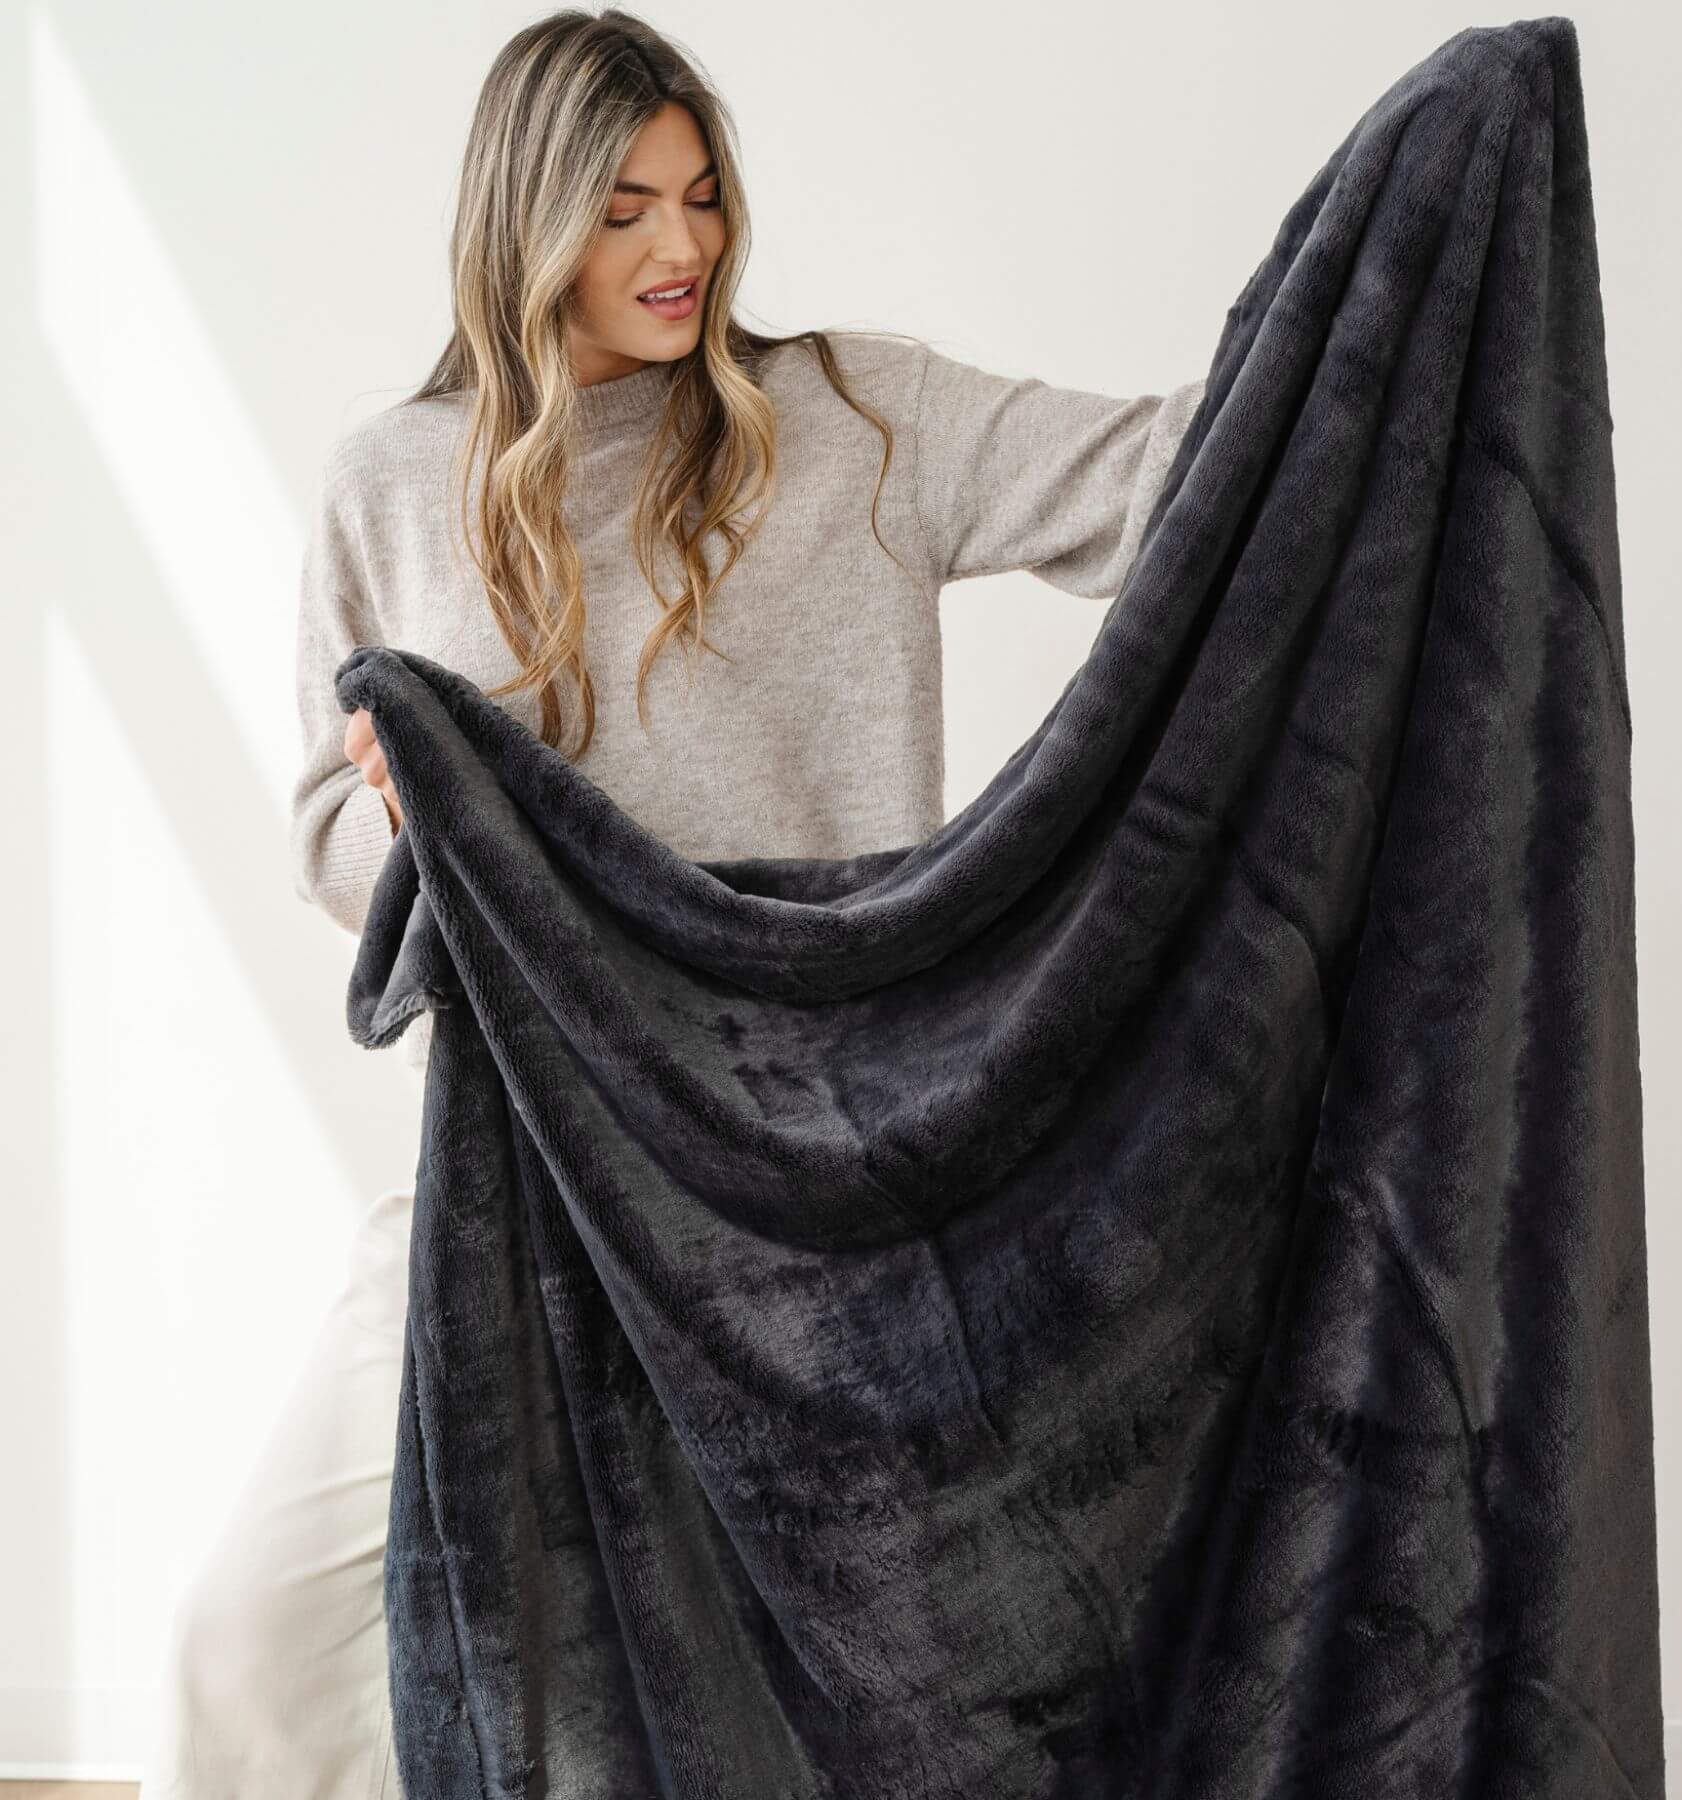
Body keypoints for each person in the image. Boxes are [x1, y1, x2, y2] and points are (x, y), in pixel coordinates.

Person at [136, 7, 1208, 1795]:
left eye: (702, 197)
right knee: (247, 1646)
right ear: (528, 221)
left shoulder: (861, 417)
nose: (685, 248)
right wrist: (419, 822)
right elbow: (330, 835)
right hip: (512, 1172)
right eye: (627, 206)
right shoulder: (394, 485)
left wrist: (1389, 296)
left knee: (826, 1702)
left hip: (812, 1185)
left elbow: (1182, 470)